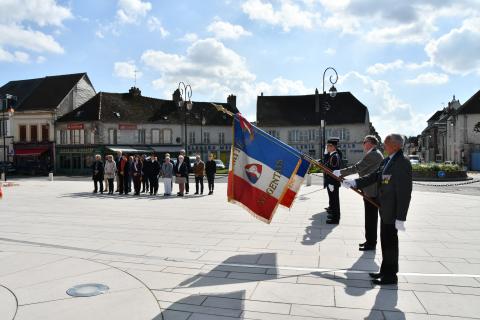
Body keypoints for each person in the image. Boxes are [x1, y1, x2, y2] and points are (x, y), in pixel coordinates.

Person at [343, 134, 412, 285]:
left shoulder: (402, 162)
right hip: (384, 208)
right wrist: (355, 182)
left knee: (390, 243)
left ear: (395, 145)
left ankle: (390, 276)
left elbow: (404, 192)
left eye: (386, 144)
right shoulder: (388, 160)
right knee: (385, 242)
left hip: (393, 211)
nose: (384, 146)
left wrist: (401, 217)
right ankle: (384, 271)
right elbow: (375, 176)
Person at [333, 135, 384, 251]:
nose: (363, 144)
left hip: (372, 190)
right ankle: (370, 241)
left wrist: (340, 172)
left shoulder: (373, 154)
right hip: (370, 189)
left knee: (370, 218)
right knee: (370, 217)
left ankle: (371, 243)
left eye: (364, 142)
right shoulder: (375, 153)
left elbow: (358, 167)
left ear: (370, 143)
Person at [323, 139, 341, 224]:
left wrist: (331, 183)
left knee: (335, 201)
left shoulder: (335, 156)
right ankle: (334, 215)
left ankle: (335, 218)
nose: (327, 147)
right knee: (333, 200)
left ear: (333, 147)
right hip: (331, 182)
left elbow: (333, 170)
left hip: (332, 182)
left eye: (328, 146)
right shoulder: (332, 155)